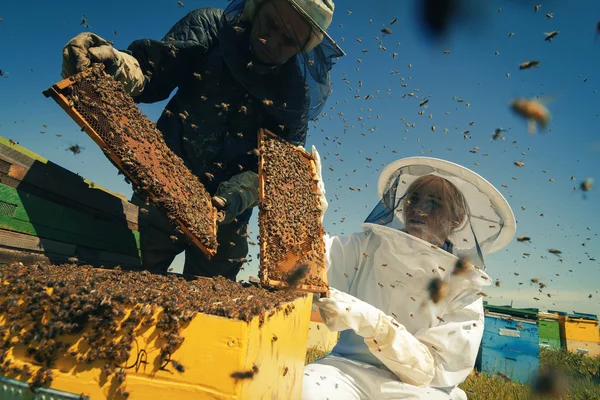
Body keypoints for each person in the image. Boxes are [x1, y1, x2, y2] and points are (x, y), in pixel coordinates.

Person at [60, 0, 344, 280]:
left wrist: (230, 200)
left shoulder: (294, 94)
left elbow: (274, 170)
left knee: (212, 304)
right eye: (271, 22)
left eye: (290, 40)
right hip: (163, 185)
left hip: (228, 221)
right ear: (257, 6)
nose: (273, 41)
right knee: (131, 277)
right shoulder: (211, 27)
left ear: (304, 47)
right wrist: (113, 63)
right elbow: (153, 70)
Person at [303, 157, 516, 399]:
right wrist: (306, 219)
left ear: (456, 219)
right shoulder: (370, 245)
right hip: (346, 370)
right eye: (413, 199)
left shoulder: (465, 288)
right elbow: (312, 264)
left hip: (419, 389)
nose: (418, 208)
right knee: (304, 389)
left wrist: (377, 326)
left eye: (434, 202)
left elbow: (432, 370)